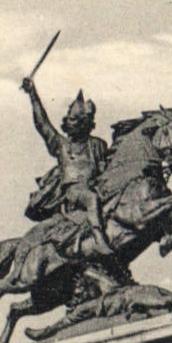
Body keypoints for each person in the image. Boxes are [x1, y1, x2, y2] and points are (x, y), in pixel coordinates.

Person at [21, 77, 112, 259]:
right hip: (73, 192)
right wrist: (33, 94)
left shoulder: (97, 144)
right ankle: (98, 238)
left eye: (77, 121)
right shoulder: (60, 145)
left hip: (97, 186)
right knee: (91, 198)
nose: (72, 125)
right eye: (70, 121)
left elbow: (108, 166)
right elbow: (42, 123)